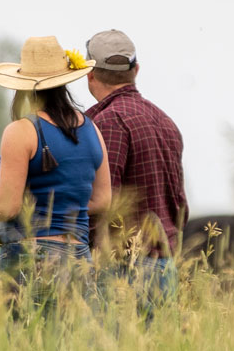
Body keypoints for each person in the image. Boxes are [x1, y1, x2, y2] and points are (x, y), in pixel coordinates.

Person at [0, 36, 113, 319]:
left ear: (23, 85)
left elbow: (9, 207)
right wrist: (64, 210)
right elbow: (102, 200)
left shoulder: (20, 131)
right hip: (79, 256)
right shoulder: (91, 129)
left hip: (32, 256)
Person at [81, 29, 186, 317]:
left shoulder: (107, 123)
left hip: (123, 270)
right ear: (136, 70)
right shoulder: (166, 122)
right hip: (164, 266)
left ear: (89, 74)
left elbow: (103, 205)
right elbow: (179, 205)